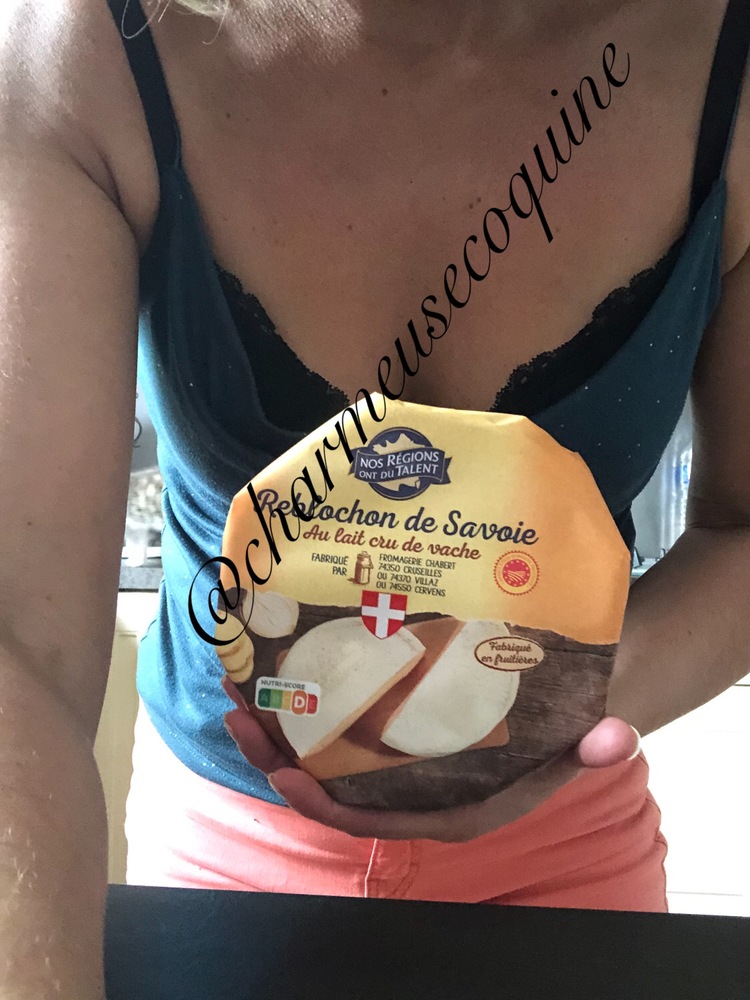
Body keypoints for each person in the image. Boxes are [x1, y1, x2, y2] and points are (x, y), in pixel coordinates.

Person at [2, 0, 749, 994]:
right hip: (228, 848)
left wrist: (581, 699)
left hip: (560, 846)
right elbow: (17, 643)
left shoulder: (732, 66)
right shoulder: (84, 43)